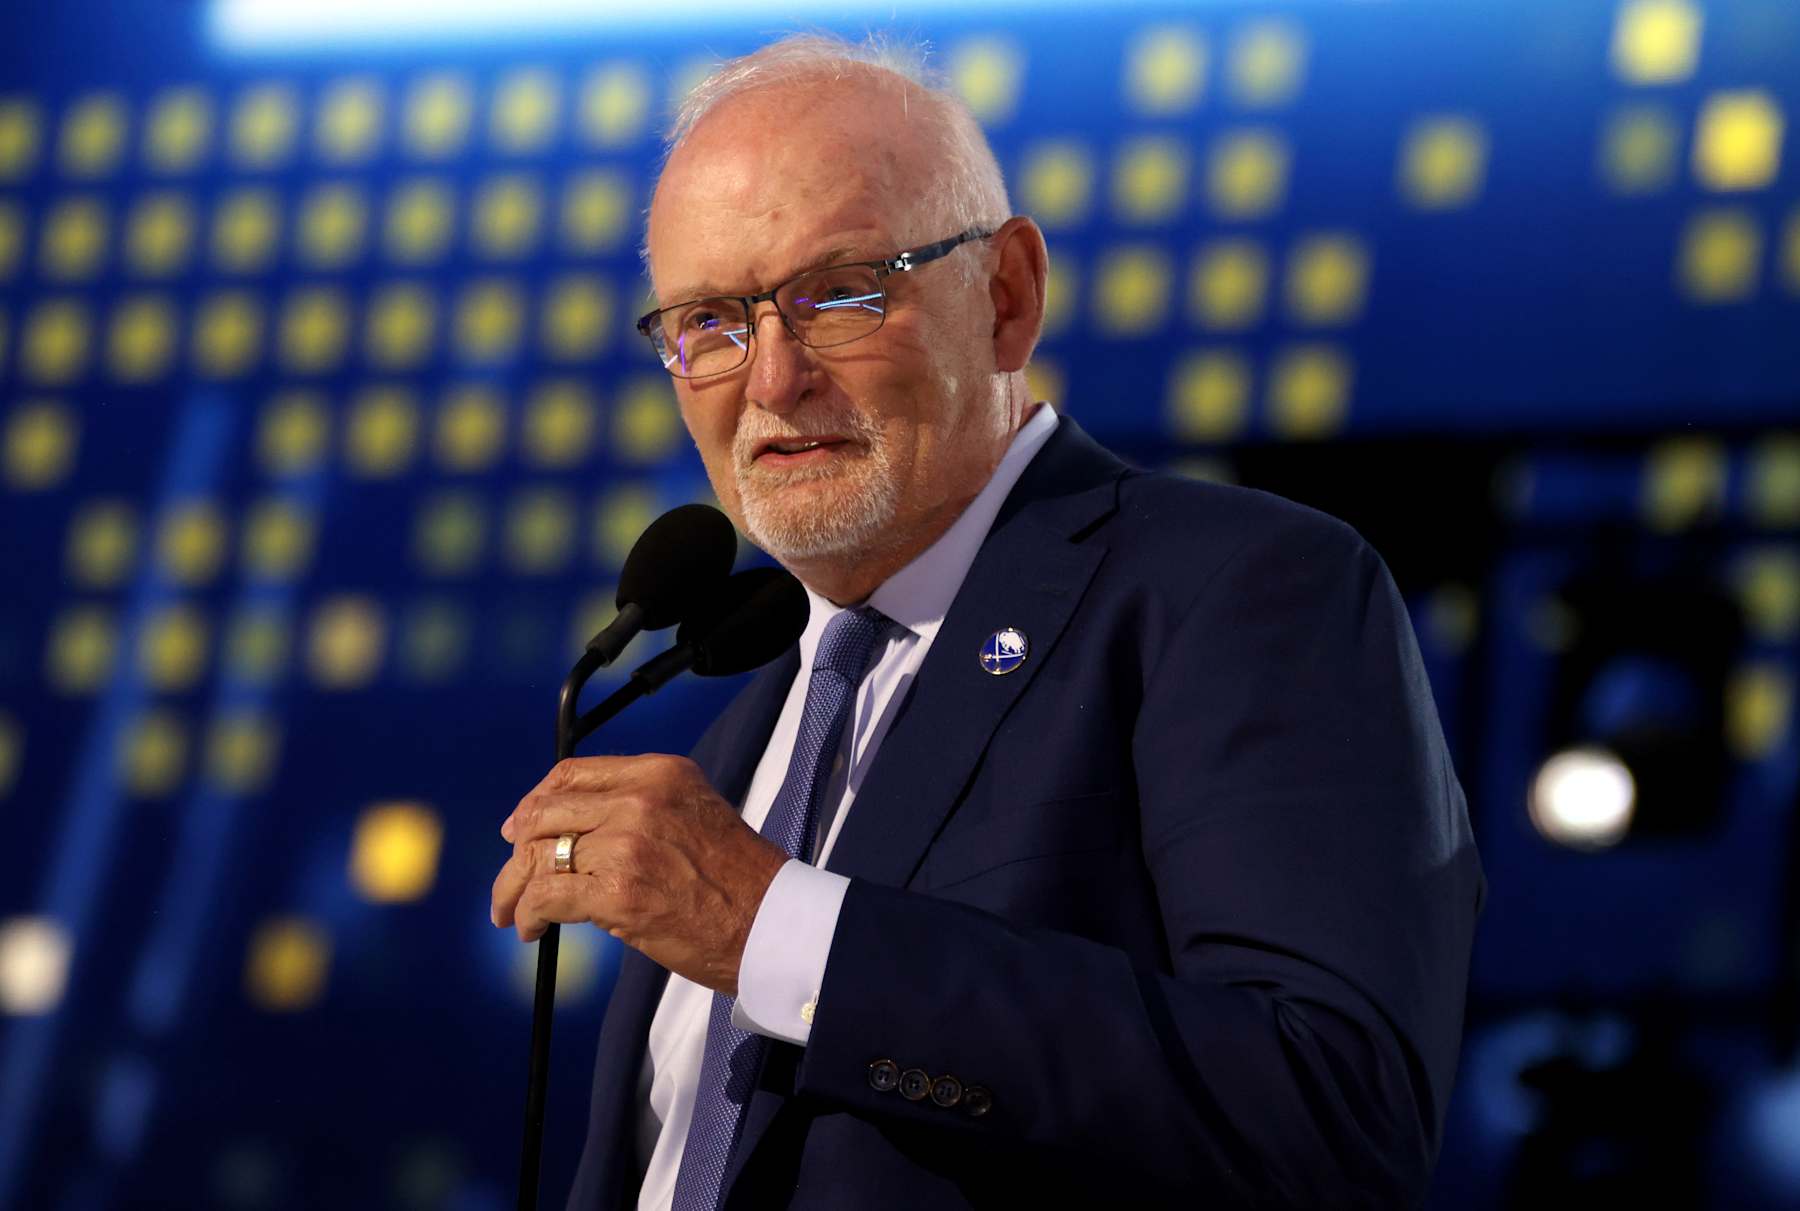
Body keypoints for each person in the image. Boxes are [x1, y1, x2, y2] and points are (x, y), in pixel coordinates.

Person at [489, 33, 1485, 1211]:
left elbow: (1334, 1112)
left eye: (837, 294)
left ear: (1007, 296)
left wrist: (779, 928)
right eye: (710, 321)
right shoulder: (740, 743)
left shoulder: (1236, 592)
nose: (770, 379)